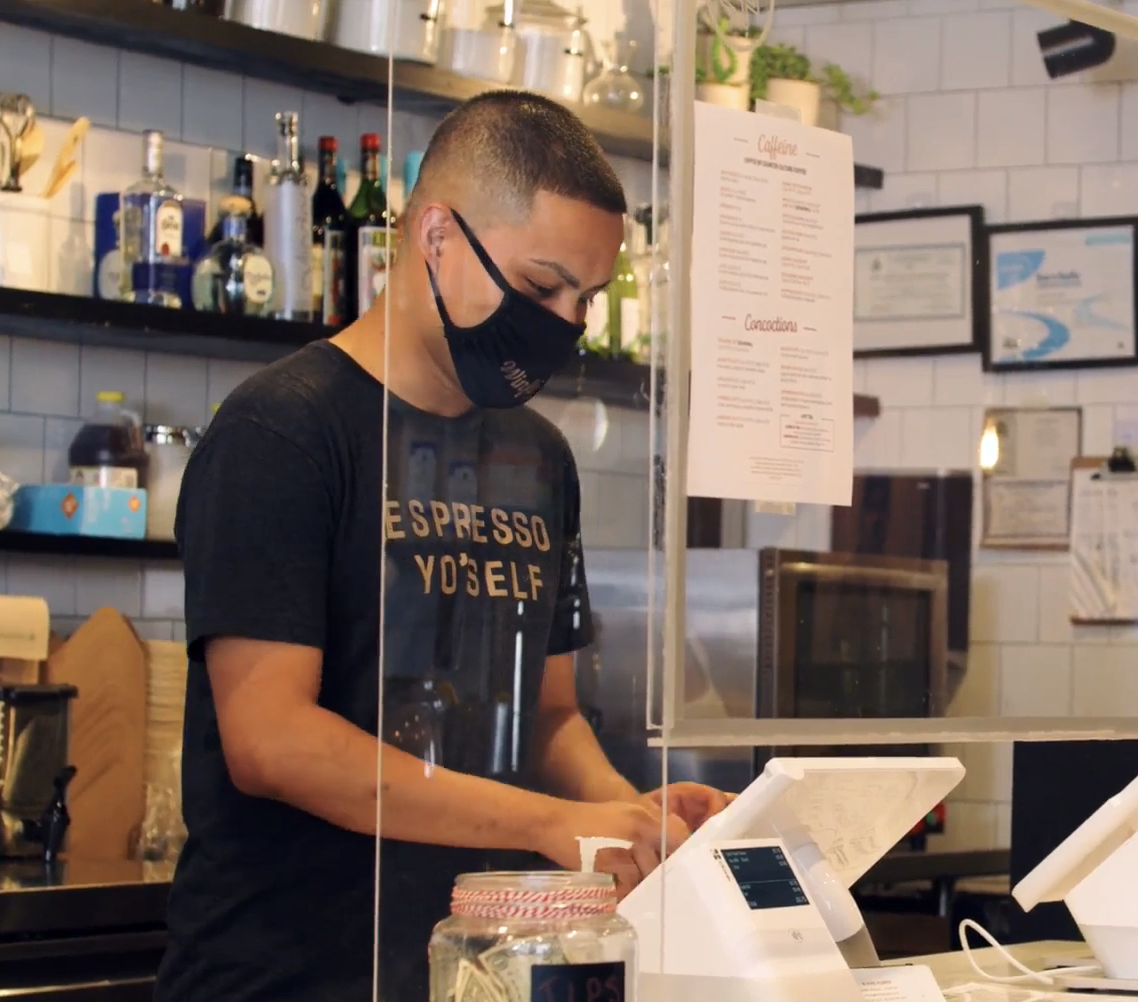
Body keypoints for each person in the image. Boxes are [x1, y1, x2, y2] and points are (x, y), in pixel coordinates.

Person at [155, 91, 729, 1002]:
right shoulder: (284, 430)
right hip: (285, 978)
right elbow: (271, 741)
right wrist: (553, 822)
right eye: (542, 287)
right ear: (436, 237)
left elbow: (547, 722)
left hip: (479, 972)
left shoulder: (536, 457)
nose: (566, 323)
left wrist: (624, 815)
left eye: (586, 298)